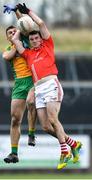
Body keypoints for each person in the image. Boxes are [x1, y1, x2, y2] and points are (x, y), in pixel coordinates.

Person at [11, 3, 82, 170]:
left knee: (52, 119)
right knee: (45, 126)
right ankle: (73, 143)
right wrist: (23, 27)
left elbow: (41, 24)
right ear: (29, 40)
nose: (35, 40)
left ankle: (64, 151)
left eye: (37, 38)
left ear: (41, 39)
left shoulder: (47, 45)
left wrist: (27, 13)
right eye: (32, 38)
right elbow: (15, 39)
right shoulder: (28, 54)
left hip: (51, 84)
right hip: (39, 89)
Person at [2, 23, 37, 163]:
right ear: (7, 38)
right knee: (15, 119)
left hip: (32, 80)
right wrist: (16, 43)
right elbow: (7, 56)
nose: (12, 34)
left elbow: (25, 25)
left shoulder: (26, 42)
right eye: (9, 33)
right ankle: (14, 153)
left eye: (14, 31)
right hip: (19, 85)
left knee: (31, 102)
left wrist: (17, 12)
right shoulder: (8, 49)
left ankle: (31, 133)